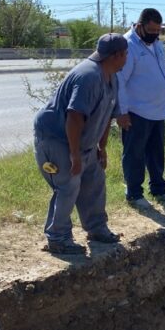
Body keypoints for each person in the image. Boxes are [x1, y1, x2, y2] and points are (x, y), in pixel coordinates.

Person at [34, 33, 127, 255]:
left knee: (94, 180)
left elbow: (106, 116)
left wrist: (101, 148)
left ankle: (96, 228)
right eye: (125, 55)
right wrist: (74, 155)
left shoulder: (112, 76)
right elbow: (74, 117)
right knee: (68, 185)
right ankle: (58, 238)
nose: (126, 59)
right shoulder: (89, 77)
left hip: (83, 141)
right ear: (116, 55)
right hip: (56, 138)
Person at [116, 8, 165, 209]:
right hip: (136, 112)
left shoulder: (157, 44)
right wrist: (121, 112)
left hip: (158, 110)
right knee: (134, 154)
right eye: (151, 30)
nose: (155, 35)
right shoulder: (128, 46)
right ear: (140, 26)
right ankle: (134, 193)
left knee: (156, 152)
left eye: (158, 31)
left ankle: (159, 188)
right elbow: (119, 81)